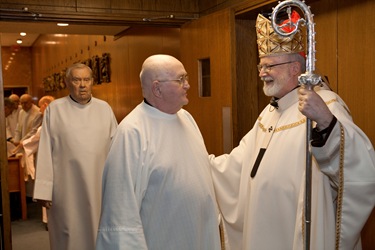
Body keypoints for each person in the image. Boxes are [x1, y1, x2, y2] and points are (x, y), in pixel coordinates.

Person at [210, 12, 375, 250]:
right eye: (261, 66)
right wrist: (200, 165)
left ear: (296, 68)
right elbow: (239, 163)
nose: (262, 73)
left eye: (269, 66)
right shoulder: (270, 112)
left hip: (296, 231)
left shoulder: (326, 105)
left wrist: (327, 123)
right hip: (263, 227)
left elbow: (358, 164)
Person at [96, 54, 223, 250]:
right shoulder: (132, 132)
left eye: (186, 78)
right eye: (181, 80)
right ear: (157, 88)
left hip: (198, 233)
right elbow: (120, 209)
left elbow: (196, 167)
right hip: (162, 238)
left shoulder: (186, 118)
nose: (188, 85)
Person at [33, 63, 118, 250]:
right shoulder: (55, 109)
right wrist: (44, 189)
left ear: (92, 82)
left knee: (98, 233)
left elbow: (116, 150)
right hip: (66, 188)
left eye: (86, 80)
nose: (82, 85)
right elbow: (46, 149)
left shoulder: (104, 109)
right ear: (67, 82)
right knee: (69, 234)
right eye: (77, 79)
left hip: (98, 187)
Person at [12, 95, 55, 229]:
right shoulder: (46, 117)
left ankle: (50, 220)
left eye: (42, 106)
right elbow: (36, 134)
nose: (40, 109)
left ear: (46, 105)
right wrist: (22, 144)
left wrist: (22, 144)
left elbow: (37, 135)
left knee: (50, 187)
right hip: (50, 157)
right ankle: (48, 220)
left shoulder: (51, 118)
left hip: (53, 159)